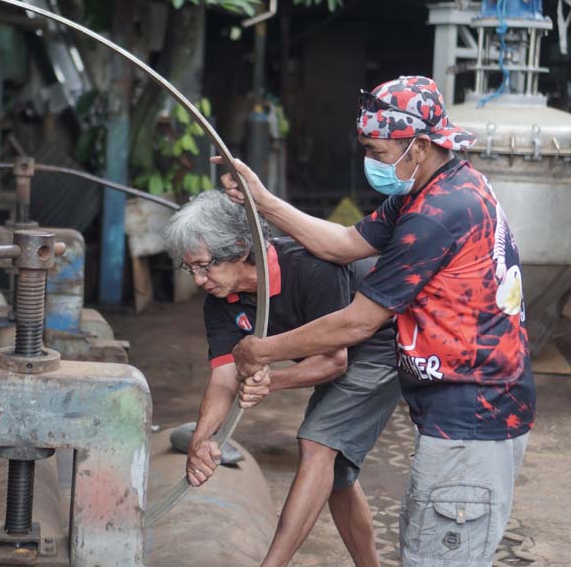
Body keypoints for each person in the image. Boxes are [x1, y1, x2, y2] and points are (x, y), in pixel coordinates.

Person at [218, 75, 535, 567]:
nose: (373, 162)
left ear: (421, 145)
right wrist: (261, 198)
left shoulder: (437, 213)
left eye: (380, 152)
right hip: (463, 413)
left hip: (473, 416)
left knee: (438, 553)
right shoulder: (434, 188)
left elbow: (357, 324)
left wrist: (262, 350)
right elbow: (342, 243)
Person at [164, 189, 401, 567]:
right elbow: (225, 378)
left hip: (378, 344)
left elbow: (333, 363)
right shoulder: (220, 302)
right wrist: (202, 439)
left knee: (317, 443)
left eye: (205, 266)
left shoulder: (311, 267)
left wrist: (272, 380)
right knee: (335, 472)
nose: (198, 280)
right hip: (331, 352)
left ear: (242, 249)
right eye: (190, 268)